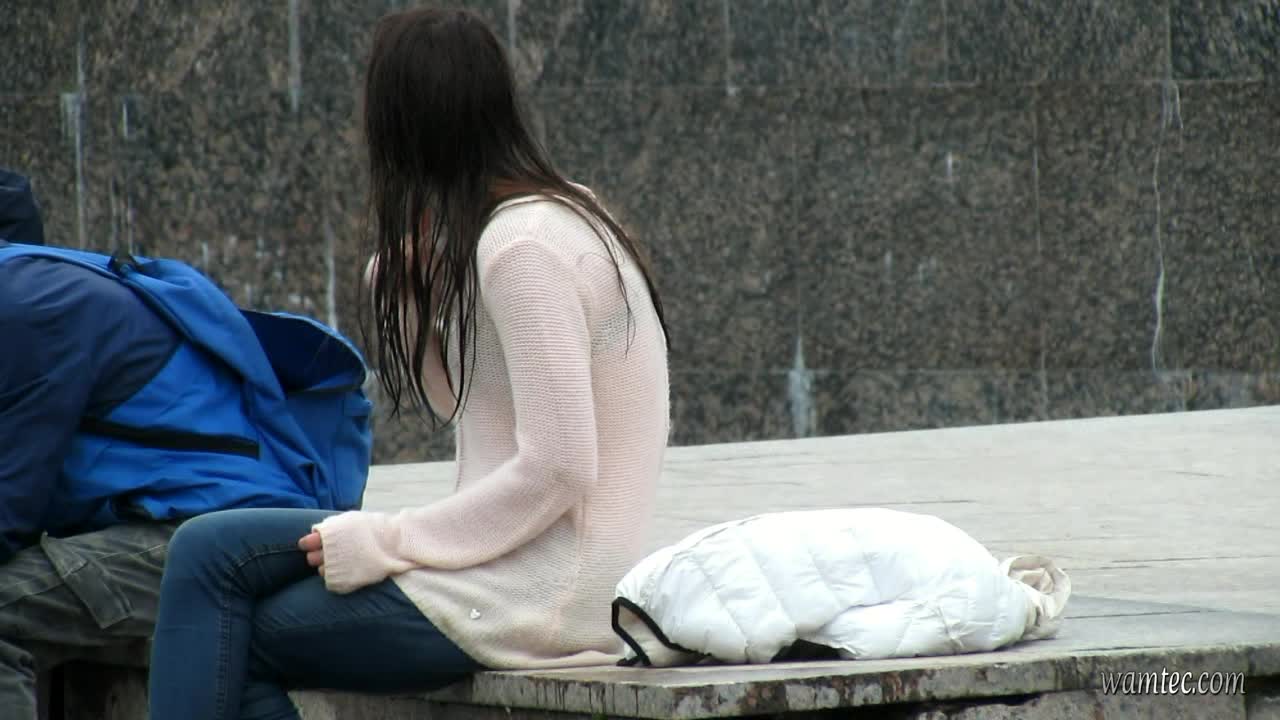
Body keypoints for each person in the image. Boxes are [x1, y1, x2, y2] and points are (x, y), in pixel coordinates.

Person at [145, 6, 671, 720]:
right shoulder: (552, 216)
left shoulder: (522, 249)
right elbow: (476, 409)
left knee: (232, 624)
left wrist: (392, 540)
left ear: (402, 128)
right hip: (513, 569)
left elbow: (560, 468)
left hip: (537, 595)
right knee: (208, 549)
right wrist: (413, 304)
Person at [0, 168, 371, 720]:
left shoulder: (29, 307)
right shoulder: (33, 287)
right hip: (182, 523)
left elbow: (9, 506)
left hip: (214, 533)